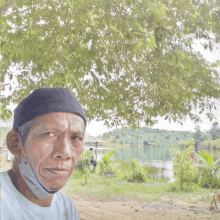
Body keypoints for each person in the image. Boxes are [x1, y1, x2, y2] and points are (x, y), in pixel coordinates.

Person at [0, 87, 87, 220]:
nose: (64, 153)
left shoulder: (66, 208)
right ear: (15, 143)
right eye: (49, 134)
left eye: (75, 138)